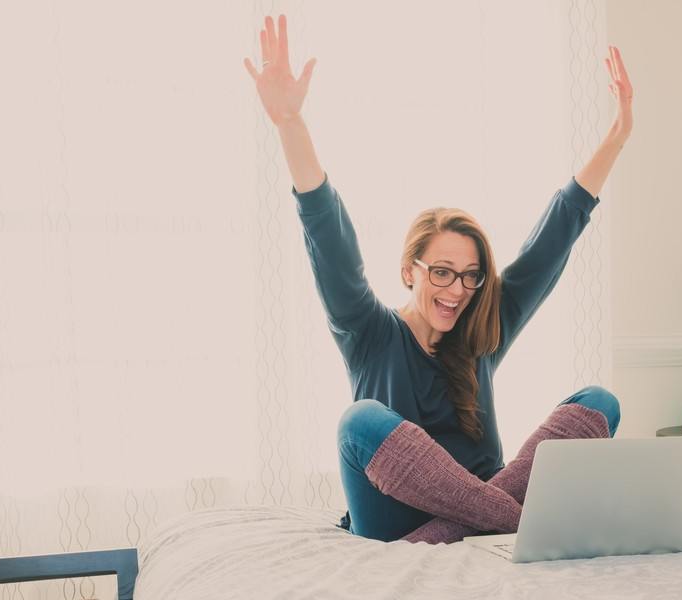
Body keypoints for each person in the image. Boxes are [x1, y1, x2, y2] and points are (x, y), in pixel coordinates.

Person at [243, 14, 634, 543]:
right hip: (391, 517)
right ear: (410, 270)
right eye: (443, 272)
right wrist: (290, 124)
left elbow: (550, 243)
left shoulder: (482, 329)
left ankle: (472, 522)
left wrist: (616, 136)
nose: (457, 291)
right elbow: (329, 240)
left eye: (470, 277)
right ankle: (519, 523)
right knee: (359, 420)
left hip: (480, 502)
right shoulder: (368, 330)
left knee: (598, 402)